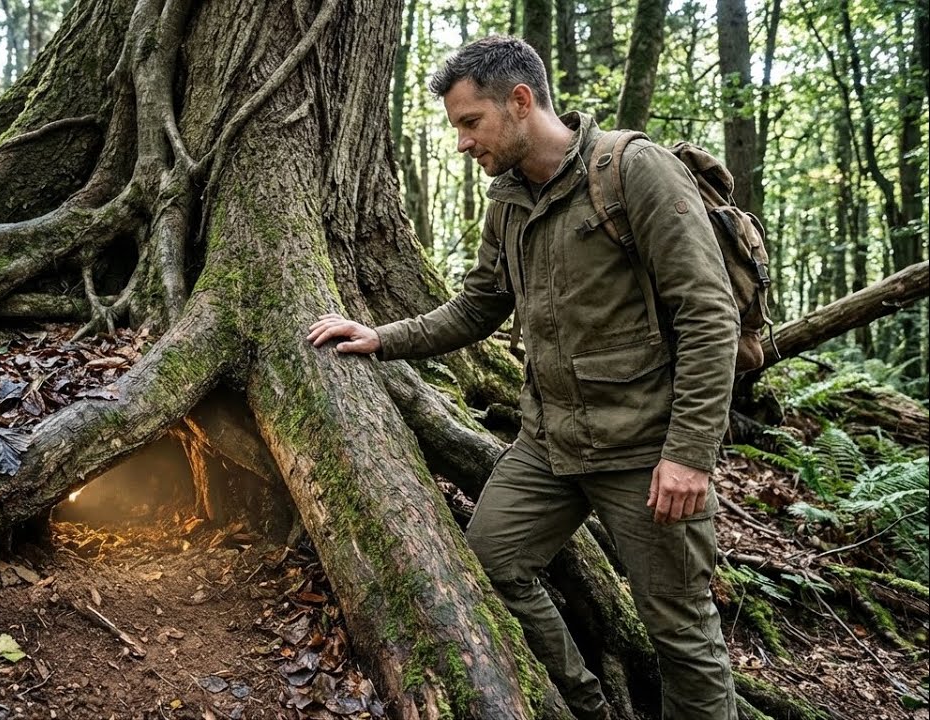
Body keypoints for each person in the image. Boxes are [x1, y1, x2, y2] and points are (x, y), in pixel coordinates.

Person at [306, 35, 739, 720]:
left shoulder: (635, 170)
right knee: (492, 560)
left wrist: (689, 455)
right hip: (549, 445)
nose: (461, 143)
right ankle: (588, 706)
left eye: (468, 123)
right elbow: (479, 305)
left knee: (683, 639)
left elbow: (710, 315)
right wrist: (381, 338)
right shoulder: (509, 199)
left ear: (519, 102)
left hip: (646, 451)